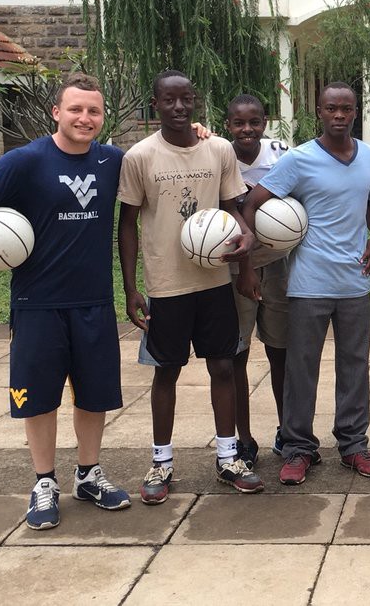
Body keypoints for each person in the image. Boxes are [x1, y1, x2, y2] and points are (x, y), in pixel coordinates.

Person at [0, 73, 130, 530]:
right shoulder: (24, 161)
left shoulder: (113, 161)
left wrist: (199, 132)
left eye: (93, 111)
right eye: (76, 109)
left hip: (95, 302)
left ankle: (88, 474)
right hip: (37, 302)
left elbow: (166, 157)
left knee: (94, 395)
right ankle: (44, 481)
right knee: (39, 400)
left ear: (102, 117)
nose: (85, 118)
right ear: (56, 112)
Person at [118, 69, 263, 504]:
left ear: (196, 102)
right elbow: (126, 225)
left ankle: (227, 458)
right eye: (169, 99)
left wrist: (247, 241)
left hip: (214, 278)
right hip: (166, 285)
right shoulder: (140, 156)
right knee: (167, 372)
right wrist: (130, 289)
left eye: (186, 99)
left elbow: (232, 207)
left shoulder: (218, 149)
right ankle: (161, 463)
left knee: (223, 367)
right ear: (156, 103)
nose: (179, 107)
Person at [239, 82, 370, 485]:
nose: (339, 115)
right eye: (331, 109)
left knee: (354, 367)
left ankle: (353, 445)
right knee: (301, 368)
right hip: (308, 283)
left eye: (346, 109)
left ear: (356, 112)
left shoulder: (369, 156)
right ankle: (298, 448)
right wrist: (250, 260)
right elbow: (253, 202)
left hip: (355, 282)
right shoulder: (300, 159)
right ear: (318, 112)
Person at [224, 94, 291, 468]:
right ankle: (244, 438)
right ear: (227, 124)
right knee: (237, 355)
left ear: (266, 123)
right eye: (238, 123)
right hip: (234, 268)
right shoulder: (219, 156)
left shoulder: (281, 153)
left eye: (254, 122)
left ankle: (287, 431)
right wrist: (245, 267)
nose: (247, 130)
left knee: (281, 351)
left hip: (278, 262)